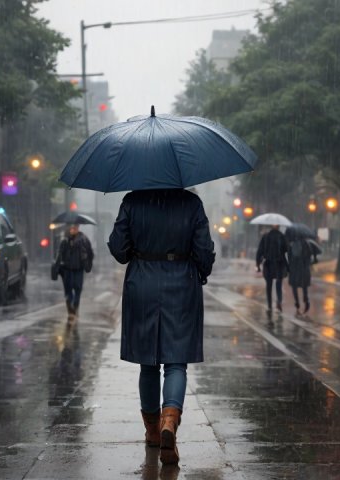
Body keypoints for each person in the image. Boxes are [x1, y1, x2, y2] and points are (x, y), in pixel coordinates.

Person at [108, 188, 215, 465]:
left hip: (142, 282)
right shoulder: (191, 203)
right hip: (181, 284)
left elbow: (118, 249)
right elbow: (204, 251)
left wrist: (138, 250)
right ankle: (170, 421)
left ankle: (153, 431)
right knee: (176, 362)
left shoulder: (133, 201)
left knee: (148, 363)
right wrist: (200, 271)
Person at [54, 224, 94, 320]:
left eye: (75, 227)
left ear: (78, 228)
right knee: (68, 290)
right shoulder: (64, 240)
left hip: (79, 269)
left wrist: (88, 264)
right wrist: (57, 267)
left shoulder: (83, 240)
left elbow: (90, 253)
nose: (73, 229)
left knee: (78, 288)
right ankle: (70, 309)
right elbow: (59, 254)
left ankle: (75, 306)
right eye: (71, 228)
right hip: (67, 269)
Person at [256, 225, 288, 312]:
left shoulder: (265, 237)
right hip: (279, 264)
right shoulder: (282, 236)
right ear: (278, 227)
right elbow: (286, 250)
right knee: (279, 283)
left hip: (268, 264)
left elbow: (260, 251)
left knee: (269, 285)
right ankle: (279, 301)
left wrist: (258, 264)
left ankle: (269, 305)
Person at [287, 237, 313, 315]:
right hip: (304, 269)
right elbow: (309, 257)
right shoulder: (307, 244)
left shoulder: (292, 245)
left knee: (294, 286)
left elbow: (289, 257)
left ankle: (297, 302)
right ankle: (306, 301)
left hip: (294, 269)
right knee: (304, 286)